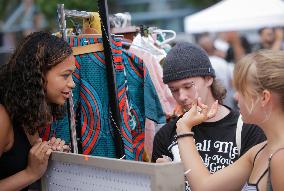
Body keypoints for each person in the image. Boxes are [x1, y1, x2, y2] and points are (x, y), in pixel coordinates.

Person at [151, 42, 266, 190]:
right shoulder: (166, 134)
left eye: (188, 86)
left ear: (208, 79)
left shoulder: (248, 128)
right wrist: (165, 180)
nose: (181, 96)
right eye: (174, 90)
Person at [176, 49, 284, 190]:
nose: (236, 96)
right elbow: (205, 187)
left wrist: (184, 128)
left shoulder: (278, 156)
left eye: (241, 90)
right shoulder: (260, 151)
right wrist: (183, 126)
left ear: (264, 97)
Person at [0, 31, 76, 191]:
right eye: (65, 76)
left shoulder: (25, 110)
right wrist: (30, 173)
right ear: (39, 74)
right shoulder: (2, 118)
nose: (72, 84)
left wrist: (47, 152)